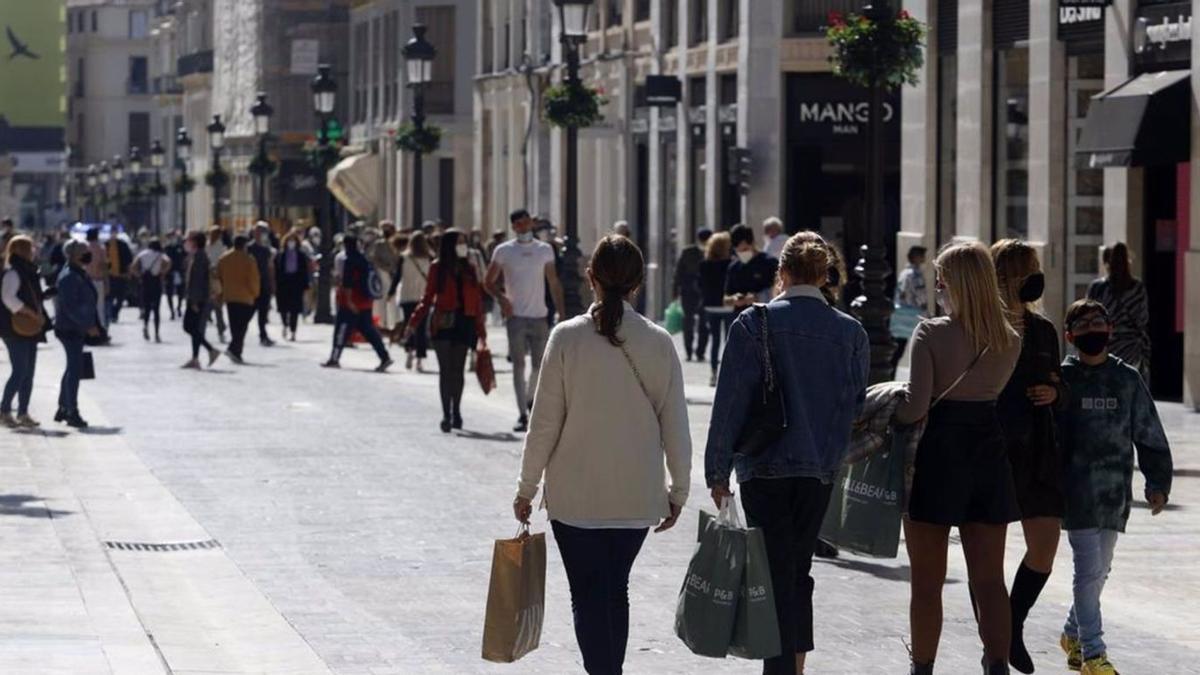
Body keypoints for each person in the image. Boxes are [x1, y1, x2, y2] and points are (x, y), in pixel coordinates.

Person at [514, 235, 691, 675]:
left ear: (590, 278)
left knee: (588, 595)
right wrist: (679, 490)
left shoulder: (567, 338)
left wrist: (526, 487)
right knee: (616, 590)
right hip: (636, 495)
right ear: (637, 285)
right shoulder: (658, 342)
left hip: (575, 497)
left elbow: (544, 424)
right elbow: (677, 426)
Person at [706, 233, 869, 675]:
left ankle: (779, 670)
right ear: (824, 274)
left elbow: (730, 404)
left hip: (764, 467)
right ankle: (792, 666)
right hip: (819, 469)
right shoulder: (850, 332)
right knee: (797, 572)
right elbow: (854, 406)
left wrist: (717, 471)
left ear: (782, 273)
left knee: (775, 576)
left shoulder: (753, 324)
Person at [895, 242, 1022, 675]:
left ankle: (923, 667)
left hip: (937, 455)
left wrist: (886, 410)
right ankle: (996, 664)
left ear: (955, 285)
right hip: (987, 452)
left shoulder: (931, 333)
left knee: (927, 583)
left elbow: (915, 407)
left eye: (942, 281)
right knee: (989, 580)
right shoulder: (1010, 340)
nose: (938, 289)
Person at [1057, 299, 1172, 675]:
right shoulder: (1062, 381)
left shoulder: (1127, 379)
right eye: (1084, 324)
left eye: (1099, 322)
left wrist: (1157, 482)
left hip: (1114, 493)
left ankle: (1073, 632)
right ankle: (1094, 654)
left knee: (1101, 570)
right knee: (1088, 571)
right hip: (1076, 493)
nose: (1093, 330)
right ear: (1069, 335)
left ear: (1111, 330)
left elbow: (1150, 434)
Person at [990, 240, 1067, 673]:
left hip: (1038, 448)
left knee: (1045, 545)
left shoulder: (1043, 330)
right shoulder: (983, 326)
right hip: (994, 447)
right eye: (1031, 268)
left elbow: (1061, 382)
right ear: (1010, 275)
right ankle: (996, 646)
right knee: (988, 557)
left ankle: (1012, 623)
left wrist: (1055, 392)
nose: (1038, 275)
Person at [485, 208, 566, 432]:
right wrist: (502, 300)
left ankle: (531, 400)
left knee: (539, 365)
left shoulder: (544, 250)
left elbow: (553, 282)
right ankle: (522, 413)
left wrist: (562, 313)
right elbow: (488, 281)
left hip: (540, 315)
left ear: (531, 223)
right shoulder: (503, 251)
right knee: (518, 365)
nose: (523, 227)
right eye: (518, 224)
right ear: (513, 227)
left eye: (526, 222)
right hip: (516, 317)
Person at [405, 229, 487, 432]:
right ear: (450, 245)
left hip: (464, 321)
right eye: (459, 242)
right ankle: (446, 414)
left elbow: (476, 301)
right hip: (443, 321)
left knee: (457, 371)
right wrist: (413, 322)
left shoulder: (469, 267)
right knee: (445, 371)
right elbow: (427, 297)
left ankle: (457, 410)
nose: (463, 245)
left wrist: (481, 330)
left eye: (464, 241)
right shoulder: (437, 268)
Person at [323, 234, 393, 372]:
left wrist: (349, 302)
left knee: (341, 332)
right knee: (370, 333)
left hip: (351, 303)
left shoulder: (349, 260)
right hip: (365, 302)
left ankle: (334, 358)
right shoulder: (364, 259)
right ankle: (384, 357)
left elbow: (348, 283)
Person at [1, 235, 50, 428]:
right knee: (20, 370)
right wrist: (31, 313)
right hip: (14, 328)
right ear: (22, 251)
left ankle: (23, 412)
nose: (34, 251)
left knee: (28, 372)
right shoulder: (13, 273)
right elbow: (9, 299)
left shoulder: (28, 272)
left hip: (29, 327)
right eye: (30, 248)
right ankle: (4, 410)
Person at [53, 240, 101, 428]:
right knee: (74, 370)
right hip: (70, 329)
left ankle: (64, 406)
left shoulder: (77, 272)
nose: (88, 254)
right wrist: (88, 324)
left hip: (74, 328)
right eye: (85, 252)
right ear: (74, 255)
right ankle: (71, 411)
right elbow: (71, 306)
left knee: (72, 367)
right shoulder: (69, 276)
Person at [1086, 243, 1150, 379]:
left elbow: (1086, 315)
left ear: (1107, 263)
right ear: (1128, 261)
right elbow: (1143, 319)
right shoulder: (1137, 288)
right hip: (1131, 347)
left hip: (1104, 346)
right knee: (1129, 386)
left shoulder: (1098, 288)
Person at [215, 235, 261, 365]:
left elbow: (218, 277)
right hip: (245, 297)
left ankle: (236, 351)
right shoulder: (249, 260)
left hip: (230, 296)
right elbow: (253, 278)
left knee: (235, 325)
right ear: (244, 245)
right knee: (242, 326)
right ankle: (234, 349)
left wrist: (220, 294)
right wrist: (255, 293)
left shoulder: (224, 258)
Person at [698, 231, 734, 386]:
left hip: (711, 305)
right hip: (727, 305)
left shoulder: (704, 265)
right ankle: (728, 374)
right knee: (729, 340)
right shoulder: (731, 264)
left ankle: (713, 373)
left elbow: (700, 285)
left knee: (715, 341)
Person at [182, 232, 221, 370]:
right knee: (195, 329)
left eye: (189, 239)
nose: (186, 241)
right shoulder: (197, 255)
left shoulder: (199, 257)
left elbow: (198, 281)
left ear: (195, 242)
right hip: (197, 298)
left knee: (188, 326)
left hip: (197, 299)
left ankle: (211, 350)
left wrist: (194, 301)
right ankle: (195, 358)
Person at [673, 227, 713, 362]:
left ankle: (693, 351)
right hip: (694, 292)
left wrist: (675, 290)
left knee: (693, 322)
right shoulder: (705, 251)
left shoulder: (689, 251)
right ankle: (695, 352)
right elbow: (679, 272)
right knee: (698, 323)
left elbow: (678, 273)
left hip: (693, 292)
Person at [395, 231, 432, 372]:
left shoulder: (404, 258)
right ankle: (420, 360)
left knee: (409, 325)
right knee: (421, 329)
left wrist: (391, 292)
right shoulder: (429, 258)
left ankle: (409, 352)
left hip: (407, 296)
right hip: (424, 297)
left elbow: (397, 277)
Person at [893, 245, 929, 368]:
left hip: (904, 313)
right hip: (912, 314)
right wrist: (925, 310)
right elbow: (919, 294)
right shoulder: (914, 274)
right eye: (922, 255)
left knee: (900, 345)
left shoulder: (905, 273)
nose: (924, 258)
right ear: (916, 257)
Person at [726, 223, 777, 307]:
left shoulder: (770, 262)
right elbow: (726, 298)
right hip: (739, 316)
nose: (742, 254)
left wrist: (758, 297)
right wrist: (733, 299)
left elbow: (779, 291)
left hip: (763, 315)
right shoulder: (733, 267)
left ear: (753, 243)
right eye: (738, 252)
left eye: (745, 249)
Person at [131, 238, 170, 342]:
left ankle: (145, 326)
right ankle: (157, 333)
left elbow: (133, 266)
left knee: (147, 307)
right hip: (156, 281)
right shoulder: (160, 255)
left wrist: (139, 275)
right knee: (156, 309)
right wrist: (162, 272)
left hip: (145, 282)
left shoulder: (142, 254)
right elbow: (169, 262)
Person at [275, 229, 310, 342]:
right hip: (283, 284)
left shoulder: (301, 255)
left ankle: (293, 331)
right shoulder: (280, 255)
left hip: (296, 284)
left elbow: (305, 271)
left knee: (295, 309)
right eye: (289, 240)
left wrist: (305, 285)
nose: (291, 242)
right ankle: (285, 325)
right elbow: (276, 270)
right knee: (283, 308)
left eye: (293, 240)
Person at [367, 223, 399, 333]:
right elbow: (375, 259)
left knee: (393, 299)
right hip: (383, 273)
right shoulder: (379, 244)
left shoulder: (395, 244)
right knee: (382, 299)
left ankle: (392, 323)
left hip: (393, 274)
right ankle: (381, 323)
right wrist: (386, 268)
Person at [248, 222, 276, 347]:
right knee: (249, 311)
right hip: (251, 285)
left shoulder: (267, 250)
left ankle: (263, 335)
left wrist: (272, 283)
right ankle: (239, 333)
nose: (261, 235)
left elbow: (270, 267)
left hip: (264, 284)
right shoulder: (248, 248)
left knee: (263, 312)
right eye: (259, 232)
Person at [105, 231, 134, 323]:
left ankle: (114, 313)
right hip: (109, 276)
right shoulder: (106, 245)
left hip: (122, 276)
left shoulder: (123, 245)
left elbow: (129, 260)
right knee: (110, 297)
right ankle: (110, 314)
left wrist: (129, 273)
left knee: (121, 297)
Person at [206, 226, 229, 342]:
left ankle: (221, 328)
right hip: (207, 279)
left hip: (217, 279)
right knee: (211, 305)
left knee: (217, 306)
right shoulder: (206, 246)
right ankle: (221, 326)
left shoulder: (222, 248)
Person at [84, 227, 109, 330]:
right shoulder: (101, 248)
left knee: (87, 306)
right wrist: (107, 282)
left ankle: (88, 329)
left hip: (86, 280)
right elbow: (104, 266)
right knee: (100, 307)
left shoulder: (84, 248)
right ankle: (101, 329)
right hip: (98, 280)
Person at [164, 231, 187, 320]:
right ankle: (172, 311)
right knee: (169, 293)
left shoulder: (180, 247)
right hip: (169, 273)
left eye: (173, 236)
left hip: (180, 272)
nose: (172, 238)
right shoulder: (166, 248)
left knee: (181, 292)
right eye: (170, 237)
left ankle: (179, 307)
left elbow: (186, 258)